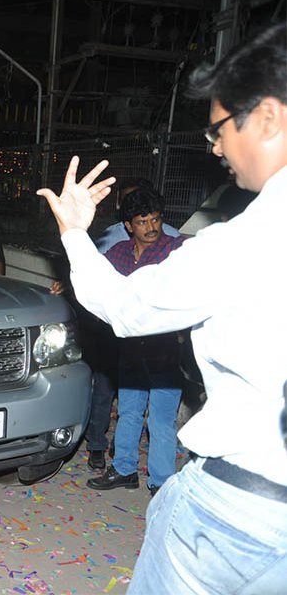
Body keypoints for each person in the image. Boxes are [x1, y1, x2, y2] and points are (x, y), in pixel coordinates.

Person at [36, 23, 287, 593]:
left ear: (269, 118)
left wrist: (73, 230)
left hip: (242, 514)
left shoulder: (248, 240)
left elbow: (126, 306)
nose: (215, 147)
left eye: (219, 128)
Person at [85, 189, 185, 496]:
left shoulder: (175, 250)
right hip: (130, 350)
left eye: (155, 219)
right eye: (143, 222)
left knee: (161, 420)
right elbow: (94, 277)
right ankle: (124, 469)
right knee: (129, 411)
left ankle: (162, 482)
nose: (152, 227)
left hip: (166, 352)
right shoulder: (118, 253)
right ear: (129, 226)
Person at [93, 178, 180, 252]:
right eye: (142, 222)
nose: (150, 228)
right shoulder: (112, 240)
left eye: (154, 220)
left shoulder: (173, 240)